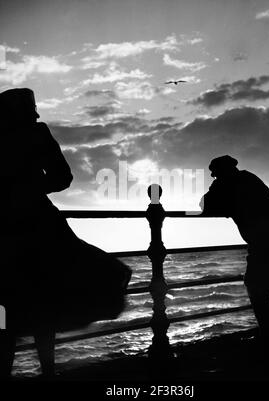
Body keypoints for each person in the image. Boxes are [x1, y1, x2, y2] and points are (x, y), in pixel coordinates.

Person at [0, 88, 131, 378]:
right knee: (44, 301)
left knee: (6, 306)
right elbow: (63, 177)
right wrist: (33, 189)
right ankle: (48, 371)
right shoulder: (36, 133)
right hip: (38, 224)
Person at [199, 155, 269, 338]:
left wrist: (215, 187)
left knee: (256, 285)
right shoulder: (248, 178)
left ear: (222, 172)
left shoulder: (230, 184)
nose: (214, 177)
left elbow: (205, 205)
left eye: (215, 174)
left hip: (268, 243)